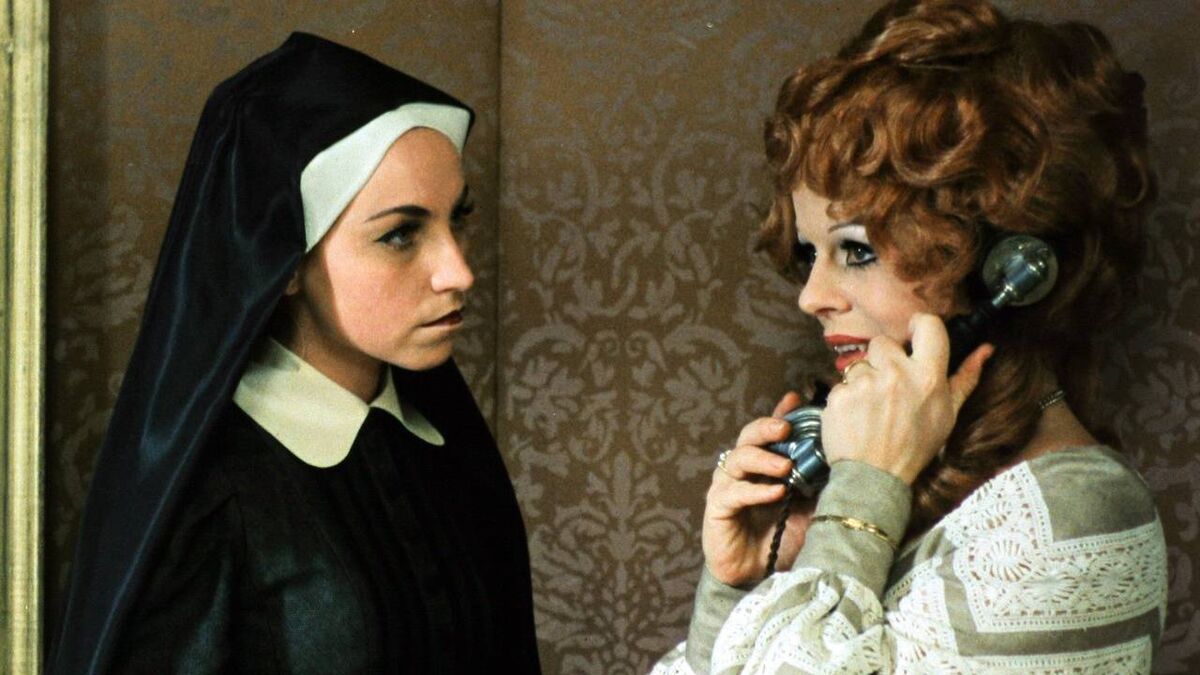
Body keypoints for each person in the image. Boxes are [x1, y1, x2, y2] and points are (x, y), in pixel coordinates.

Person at [655, 0, 1167, 672]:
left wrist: (862, 497)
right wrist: (737, 583)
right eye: (810, 253)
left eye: (856, 250)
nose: (811, 296)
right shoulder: (884, 477)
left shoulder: (1076, 516)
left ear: (1008, 267)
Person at [48, 34, 541, 674]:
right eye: (400, 234)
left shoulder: (451, 457)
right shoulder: (211, 498)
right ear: (282, 263)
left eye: (458, 219)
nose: (459, 271)